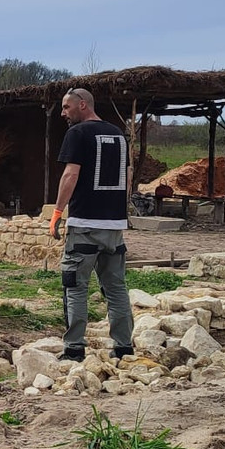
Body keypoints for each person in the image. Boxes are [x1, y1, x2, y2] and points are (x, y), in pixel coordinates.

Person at [51, 88, 135, 361]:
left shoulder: (77, 134)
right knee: (116, 288)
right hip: (114, 227)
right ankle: (123, 347)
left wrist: (57, 212)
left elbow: (70, 175)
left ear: (82, 105)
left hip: (85, 224)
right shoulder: (119, 135)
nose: (63, 113)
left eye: (66, 107)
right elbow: (127, 177)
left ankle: (74, 348)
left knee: (75, 285)